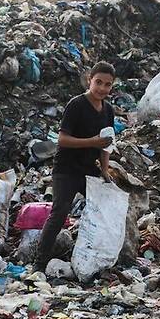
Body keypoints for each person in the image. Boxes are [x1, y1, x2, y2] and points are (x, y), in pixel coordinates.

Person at [35, 61, 116, 272]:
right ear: (90, 79)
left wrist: (105, 170)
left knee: (101, 211)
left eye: (107, 85)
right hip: (66, 168)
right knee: (59, 213)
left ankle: (95, 260)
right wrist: (92, 142)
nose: (102, 88)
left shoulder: (108, 110)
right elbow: (62, 140)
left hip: (88, 168)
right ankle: (38, 264)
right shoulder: (77, 104)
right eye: (98, 82)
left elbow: (107, 143)